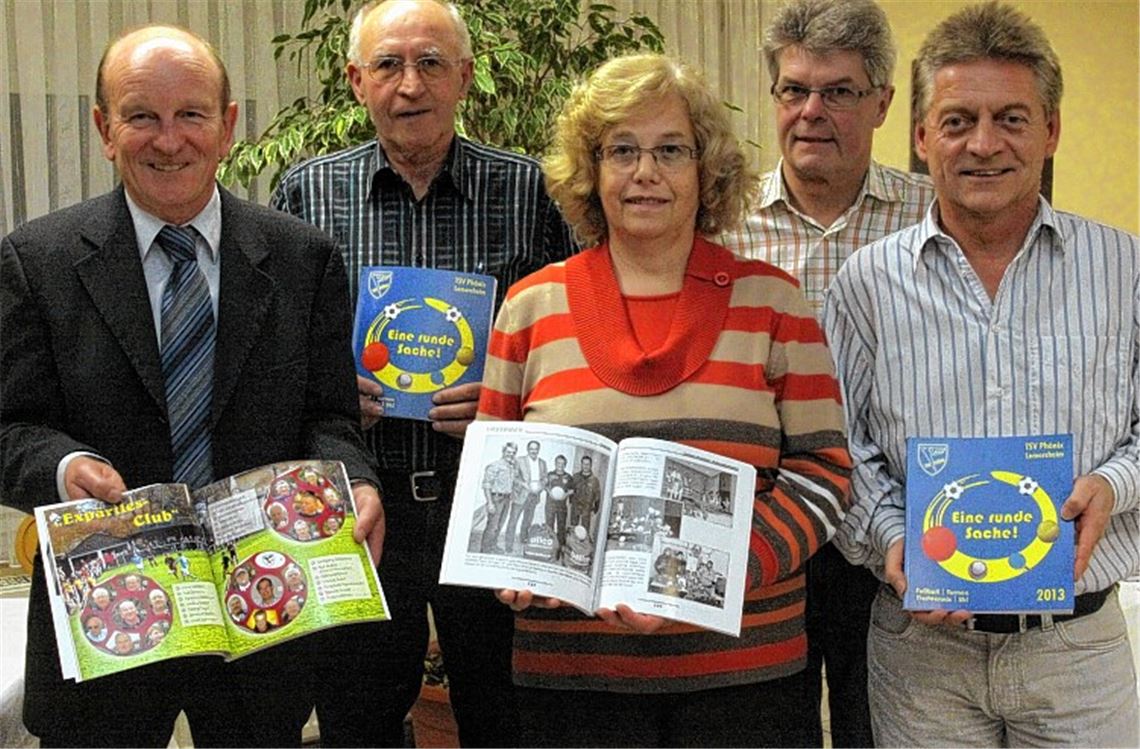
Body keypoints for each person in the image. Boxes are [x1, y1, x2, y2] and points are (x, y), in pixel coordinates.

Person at [0, 24, 381, 748]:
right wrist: (61, 466)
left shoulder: (304, 261)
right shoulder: (34, 261)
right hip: (105, 630)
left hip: (262, 618)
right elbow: (8, 425)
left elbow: (331, 416)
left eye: (192, 115)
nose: (168, 140)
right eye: (142, 115)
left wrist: (354, 478)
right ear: (104, 129)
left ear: (229, 126)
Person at [479, 53, 852, 747]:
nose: (645, 172)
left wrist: (708, 575)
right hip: (573, 686)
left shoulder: (776, 304)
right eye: (622, 149)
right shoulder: (528, 309)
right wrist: (512, 563)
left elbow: (824, 476)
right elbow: (498, 482)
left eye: (670, 150)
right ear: (590, 169)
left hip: (745, 682)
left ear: (705, 169)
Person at [823, 4, 1140, 746]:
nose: (985, 144)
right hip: (920, 650)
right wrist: (892, 537)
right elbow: (841, 444)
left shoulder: (1125, 268)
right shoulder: (866, 282)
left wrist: (1113, 484)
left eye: (1012, 118)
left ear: (1052, 131)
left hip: (1077, 651)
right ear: (922, 134)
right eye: (959, 119)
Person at [269, 1, 576, 744]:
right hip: (360, 508)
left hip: (495, 506)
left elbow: (571, 346)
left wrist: (509, 399)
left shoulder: (531, 190)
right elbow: (275, 352)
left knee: (508, 718)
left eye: (431, 63)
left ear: (465, 77)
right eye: (389, 65)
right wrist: (331, 392)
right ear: (355, 80)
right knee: (357, 718)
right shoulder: (306, 195)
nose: (411, 85)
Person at [717, 2, 934, 743]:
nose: (811, 112)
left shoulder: (935, 219)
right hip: (765, 521)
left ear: (882, 103)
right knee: (769, 727)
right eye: (793, 89)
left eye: (838, 91)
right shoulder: (719, 224)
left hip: (895, 530)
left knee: (882, 726)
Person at [509, 440, 548, 551]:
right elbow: (514, 477)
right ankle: (508, 545)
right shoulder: (519, 460)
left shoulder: (542, 463)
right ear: (528, 449)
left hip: (534, 495)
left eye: (535, 449)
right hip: (521, 494)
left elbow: (545, 477)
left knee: (528, 519)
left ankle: (523, 539)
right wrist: (524, 484)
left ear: (538, 450)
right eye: (531, 449)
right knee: (513, 520)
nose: (533, 451)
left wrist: (542, 485)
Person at [481, 441, 519, 553]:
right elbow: (486, 485)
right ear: (503, 452)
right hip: (496, 499)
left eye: (513, 453)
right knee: (492, 526)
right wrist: (490, 503)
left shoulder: (511, 466)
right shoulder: (495, 465)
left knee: (499, 525)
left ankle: (493, 546)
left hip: (507, 499)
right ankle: (485, 550)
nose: (510, 454)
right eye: (508, 452)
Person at [545, 455, 574, 550]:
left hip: (562, 506)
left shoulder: (568, 477)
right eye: (558, 463)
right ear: (555, 463)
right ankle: (549, 546)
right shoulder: (549, 475)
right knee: (549, 526)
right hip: (550, 504)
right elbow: (545, 486)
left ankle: (560, 548)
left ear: (565, 464)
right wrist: (550, 493)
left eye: (562, 463)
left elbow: (572, 490)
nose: (560, 465)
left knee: (561, 527)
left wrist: (565, 495)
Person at [568, 456, 601, 535]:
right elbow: (570, 490)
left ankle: (584, 545)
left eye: (588, 464)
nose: (585, 466)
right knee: (573, 527)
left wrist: (595, 508)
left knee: (585, 529)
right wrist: (571, 501)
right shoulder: (575, 477)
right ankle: (572, 544)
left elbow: (597, 495)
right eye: (584, 464)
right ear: (581, 464)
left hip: (587, 507)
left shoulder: (594, 480)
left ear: (591, 465)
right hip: (575, 506)